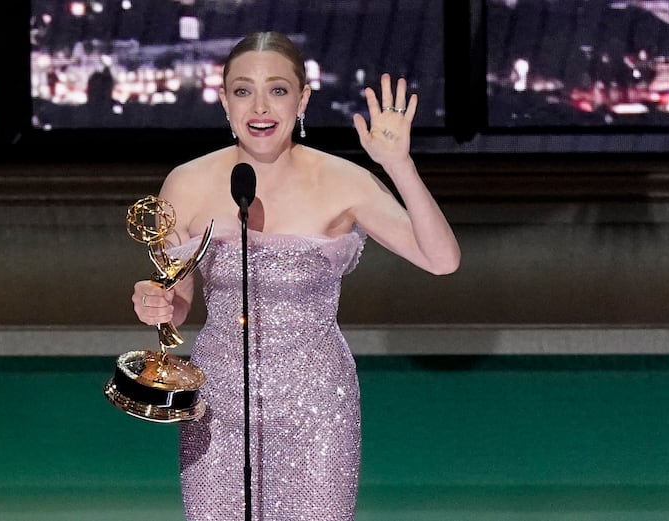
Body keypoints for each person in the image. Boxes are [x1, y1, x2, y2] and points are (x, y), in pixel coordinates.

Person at [132, 31, 460, 521]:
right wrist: (155, 303)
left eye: (278, 90)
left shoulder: (344, 181)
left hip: (317, 404)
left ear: (303, 98)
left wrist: (400, 165)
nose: (260, 106)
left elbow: (441, 260)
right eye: (243, 90)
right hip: (218, 402)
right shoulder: (188, 181)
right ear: (224, 101)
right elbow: (177, 300)